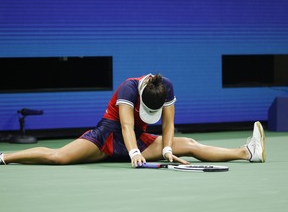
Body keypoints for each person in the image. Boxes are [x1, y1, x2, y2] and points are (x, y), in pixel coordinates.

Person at [0, 73, 266, 166]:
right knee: (57, 157)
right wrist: (135, 153)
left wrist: (169, 149)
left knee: (190, 144)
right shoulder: (129, 88)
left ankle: (247, 152)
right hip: (105, 138)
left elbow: (168, 124)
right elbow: (125, 125)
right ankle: (3, 157)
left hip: (139, 139)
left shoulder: (166, 88)